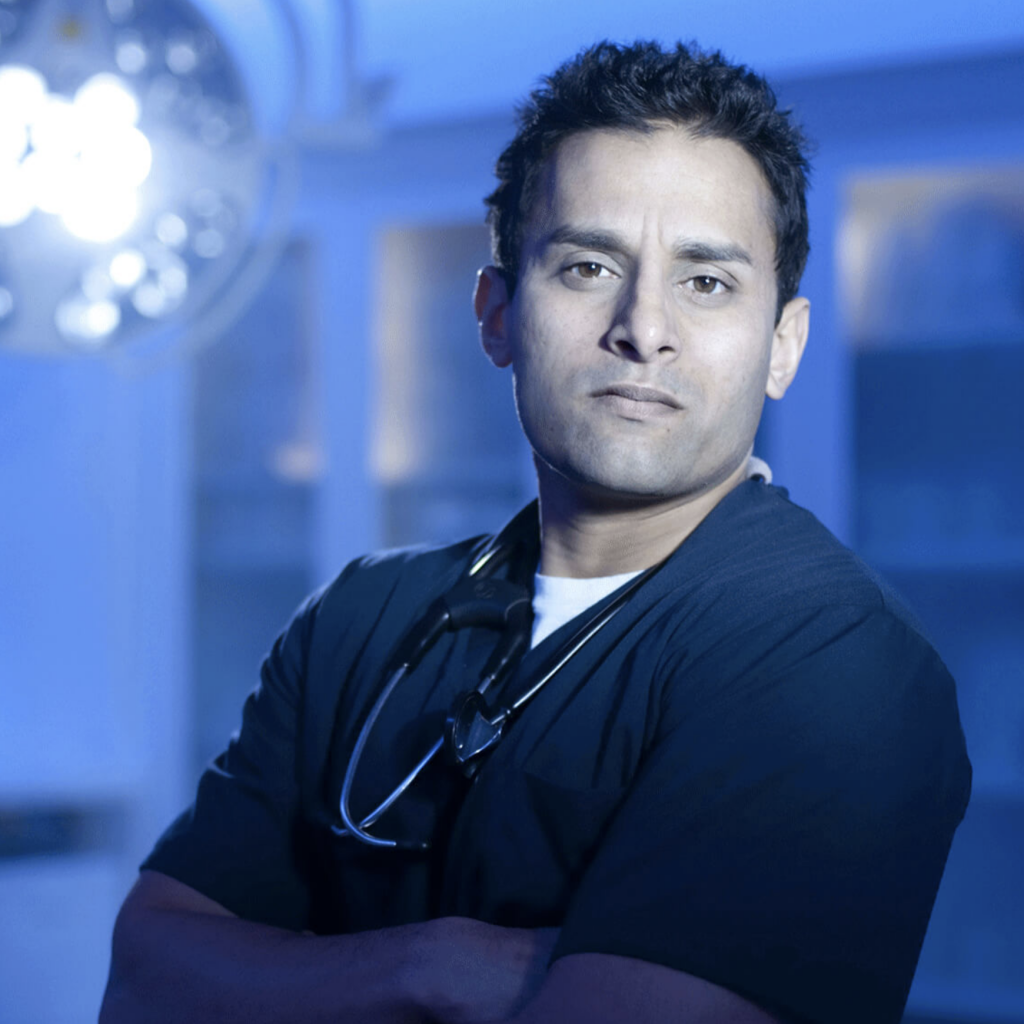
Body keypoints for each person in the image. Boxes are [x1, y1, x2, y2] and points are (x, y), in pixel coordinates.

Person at [100, 40, 971, 1024]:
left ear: (783, 346)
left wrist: (290, 979)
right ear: (497, 314)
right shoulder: (359, 618)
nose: (643, 328)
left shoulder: (829, 661)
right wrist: (425, 969)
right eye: (588, 265)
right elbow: (142, 978)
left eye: (706, 282)